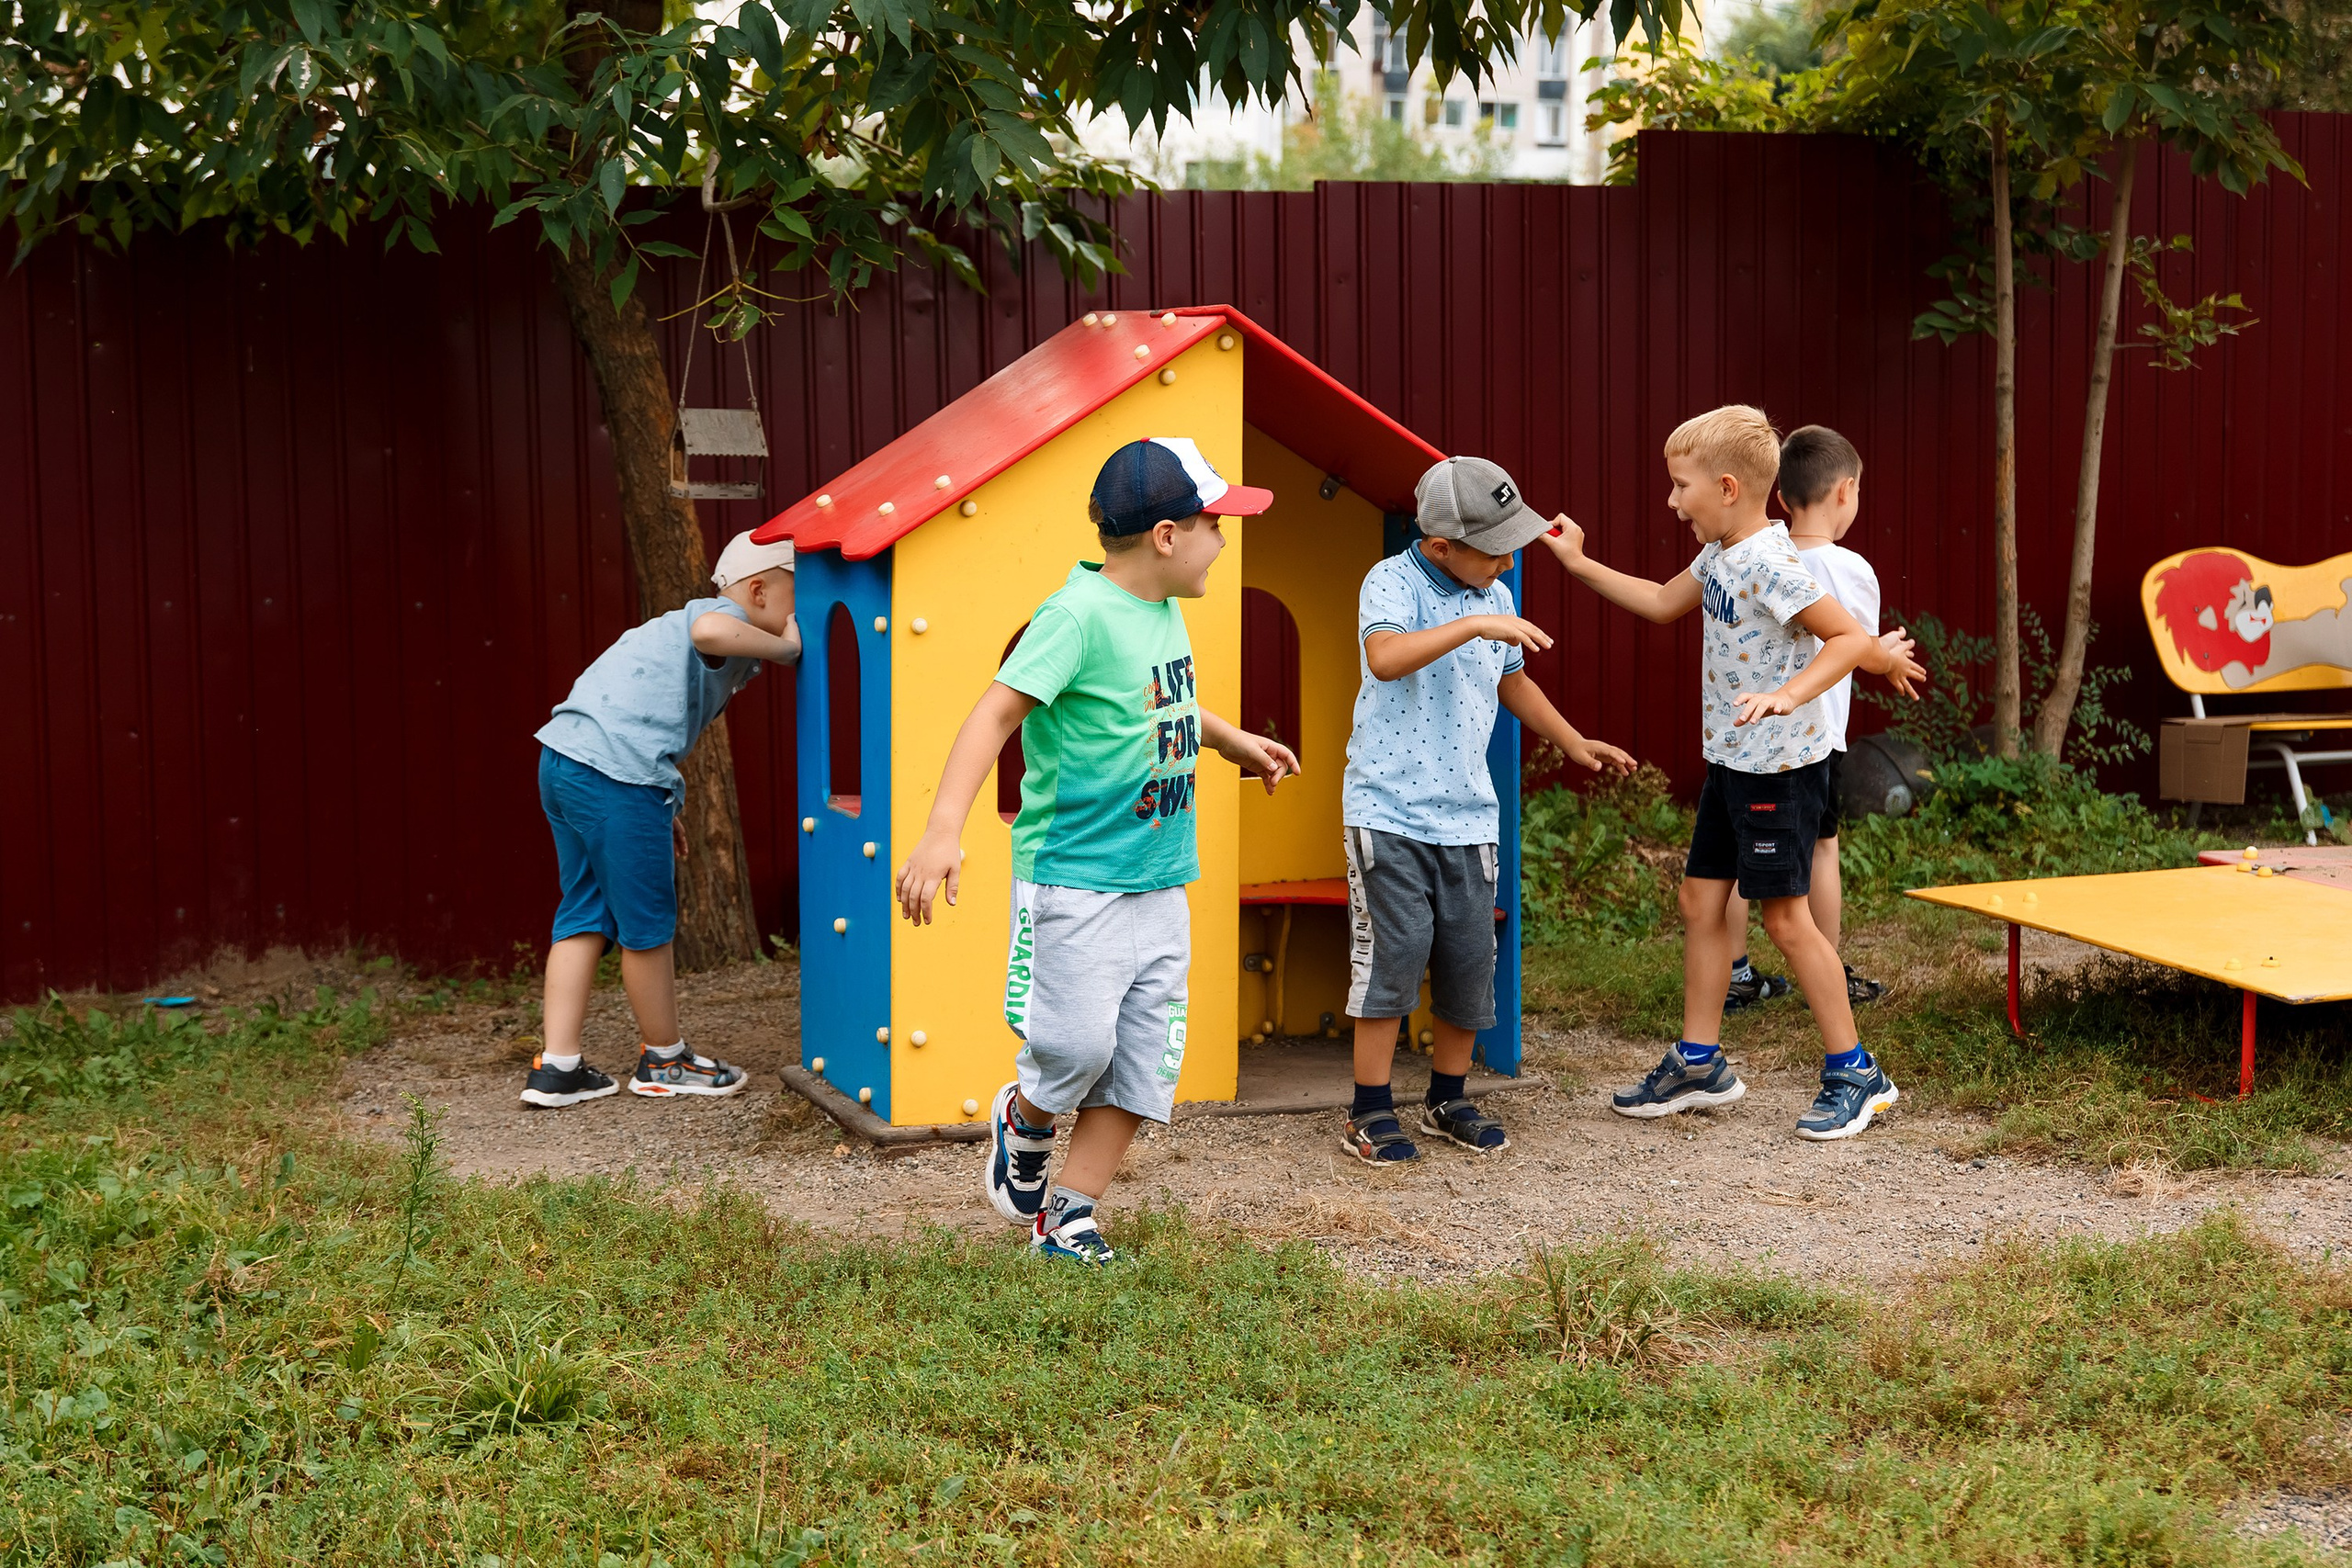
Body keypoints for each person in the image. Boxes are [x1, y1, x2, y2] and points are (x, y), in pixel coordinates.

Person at [894, 437, 1299, 1264]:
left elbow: (1162, 710)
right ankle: (1027, 1117)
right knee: (1079, 1046)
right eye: (1214, 523)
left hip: (1158, 876)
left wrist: (1230, 740)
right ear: (1165, 536)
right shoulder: (1074, 616)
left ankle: (1069, 1212)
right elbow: (994, 713)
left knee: (1145, 1058)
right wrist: (945, 829)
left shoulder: (1162, 610)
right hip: (1074, 878)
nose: (1224, 539)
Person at [1544, 406, 1924, 1142]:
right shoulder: (1721, 552)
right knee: (1699, 901)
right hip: (1732, 762)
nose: (1670, 500)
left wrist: (1788, 693)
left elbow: (1848, 639)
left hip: (1778, 770)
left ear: (1725, 487)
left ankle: (1857, 1072)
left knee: (1785, 918)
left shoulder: (1769, 562)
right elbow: (1660, 604)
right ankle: (1700, 1061)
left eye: (1679, 486)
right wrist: (1578, 563)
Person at [1340, 457, 1637, 1166]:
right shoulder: (1393, 582)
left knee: (1470, 961)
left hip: (1469, 817)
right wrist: (1473, 623)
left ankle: (1448, 1096)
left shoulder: (1495, 596)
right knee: (1395, 956)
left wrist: (1572, 740)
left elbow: (1514, 683)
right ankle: (1369, 1109)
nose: (1509, 558)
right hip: (1388, 811)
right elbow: (1385, 657)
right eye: (1495, 545)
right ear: (1441, 545)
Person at [521, 531, 803, 1110]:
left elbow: (646, 719)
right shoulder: (715, 620)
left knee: (583, 912)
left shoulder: (681, 632)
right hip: (616, 775)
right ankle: (665, 1059)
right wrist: (787, 649)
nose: (801, 619)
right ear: (758, 589)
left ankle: (559, 1067)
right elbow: (711, 632)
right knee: (647, 924)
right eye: (797, 602)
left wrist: (662, 803)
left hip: (566, 763)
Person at [1714, 425, 1899, 1012]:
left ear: (1782, 496)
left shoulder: (1759, 552)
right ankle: (1829, 967)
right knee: (1822, 848)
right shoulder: (1852, 568)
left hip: (1742, 734)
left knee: (1738, 854)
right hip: (1815, 739)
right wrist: (1887, 659)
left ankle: (1738, 971)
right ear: (1846, 491)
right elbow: (1858, 645)